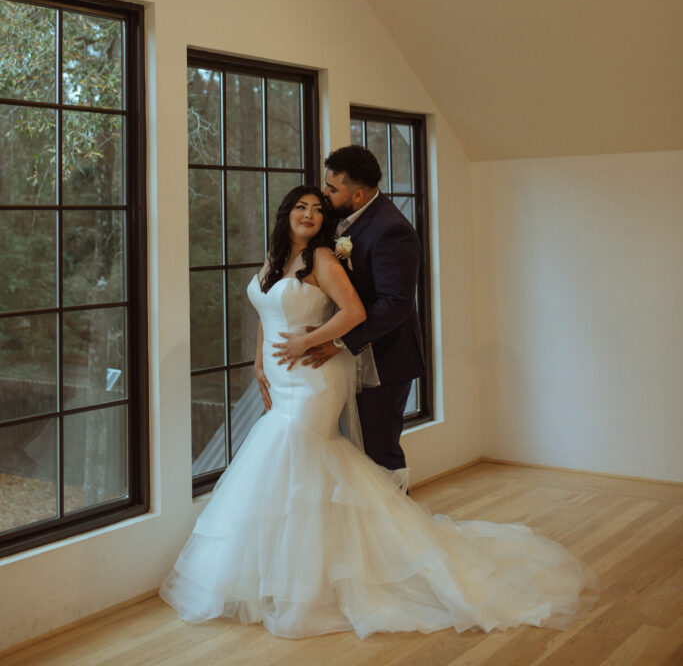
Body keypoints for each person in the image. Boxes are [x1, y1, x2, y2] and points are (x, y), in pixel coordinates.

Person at [160, 185, 598, 639]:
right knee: (297, 465)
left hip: (314, 377)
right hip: (279, 374)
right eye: (300, 207)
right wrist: (257, 361)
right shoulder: (272, 260)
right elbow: (265, 311)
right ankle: (285, 578)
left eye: (317, 208)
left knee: (294, 452)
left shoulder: (325, 261)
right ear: (285, 214)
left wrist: (309, 341)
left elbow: (352, 312)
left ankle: (314, 586)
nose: (309, 214)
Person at [310, 144, 425, 476]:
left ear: (358, 196)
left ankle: (400, 526)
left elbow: (395, 304)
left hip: (385, 358)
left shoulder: (393, 230)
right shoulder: (335, 217)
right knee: (349, 451)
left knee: (378, 450)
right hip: (345, 356)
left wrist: (339, 341)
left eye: (332, 189)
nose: (324, 194)